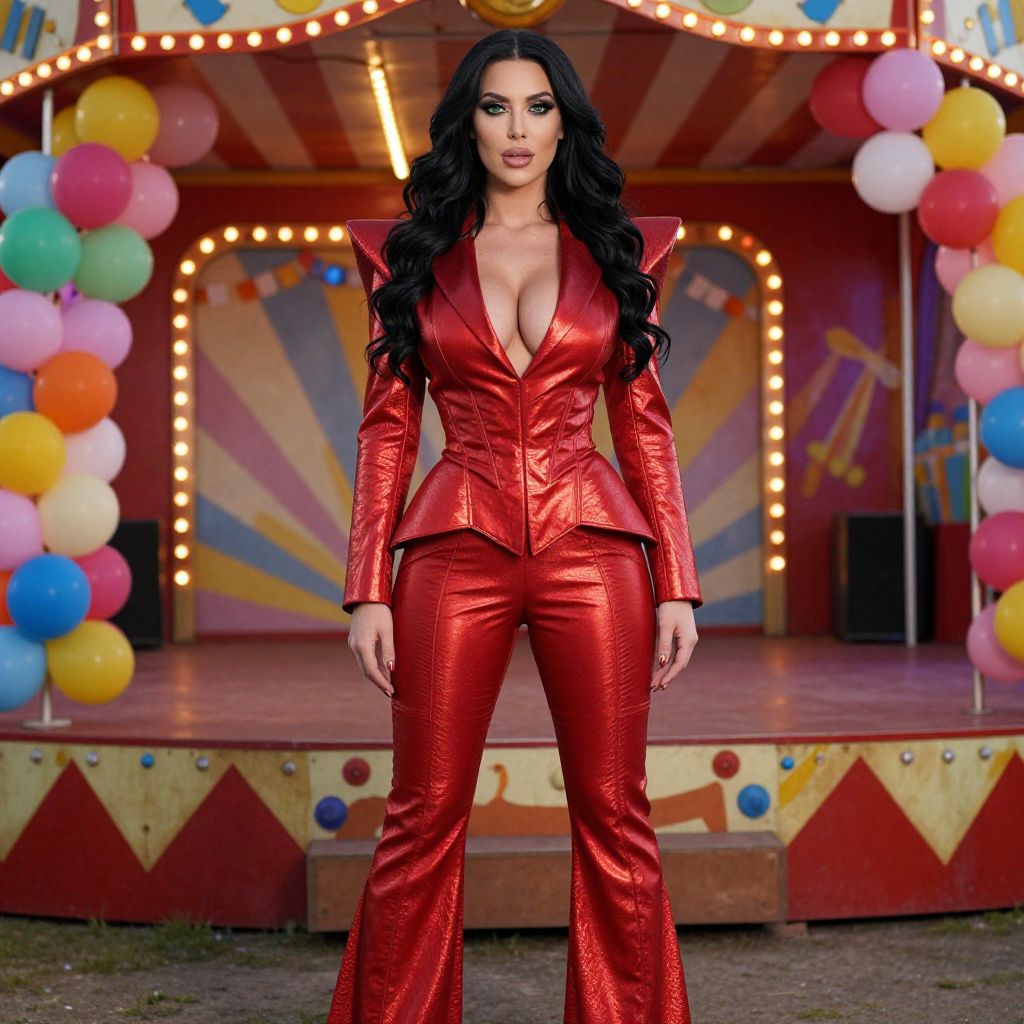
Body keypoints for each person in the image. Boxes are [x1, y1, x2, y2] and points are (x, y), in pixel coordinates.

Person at [327, 27, 702, 1024]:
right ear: (467, 124)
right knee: (421, 814)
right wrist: (366, 583)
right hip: (451, 550)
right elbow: (386, 429)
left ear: (563, 121)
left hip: (598, 552)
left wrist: (677, 581)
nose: (517, 128)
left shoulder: (622, 250)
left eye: (537, 106)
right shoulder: (404, 256)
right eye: (495, 107)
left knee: (617, 815)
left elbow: (645, 426)